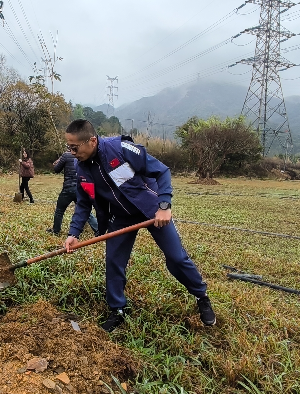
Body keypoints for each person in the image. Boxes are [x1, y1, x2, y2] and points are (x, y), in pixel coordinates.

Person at [63, 119, 216, 332]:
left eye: (74, 147)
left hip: (151, 211)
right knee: (114, 261)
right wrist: (74, 233)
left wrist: (164, 205)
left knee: (176, 257)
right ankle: (117, 309)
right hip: (121, 216)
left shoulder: (120, 149)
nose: (71, 152)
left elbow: (162, 171)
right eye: (68, 147)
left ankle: (201, 296)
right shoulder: (81, 168)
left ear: (92, 141)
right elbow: (83, 203)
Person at [47, 149, 98, 235]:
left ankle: (56, 230)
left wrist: (58, 161)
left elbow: (56, 169)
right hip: (80, 188)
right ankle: (98, 230)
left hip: (68, 188)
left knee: (60, 210)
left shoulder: (65, 155)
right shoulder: (83, 154)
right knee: (85, 210)